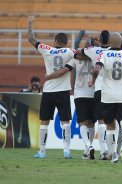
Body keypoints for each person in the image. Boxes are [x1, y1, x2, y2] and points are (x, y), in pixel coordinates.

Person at [28, 16, 75, 159]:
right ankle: (66, 151)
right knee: (65, 122)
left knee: (44, 122)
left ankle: (42, 151)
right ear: (66, 43)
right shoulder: (69, 52)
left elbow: (31, 39)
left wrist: (30, 23)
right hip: (63, 92)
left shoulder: (46, 49)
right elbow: (81, 54)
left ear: (55, 41)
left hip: (48, 91)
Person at [89, 32, 122, 164]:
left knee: (109, 125)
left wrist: (93, 81)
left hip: (108, 96)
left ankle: (113, 155)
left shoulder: (103, 54)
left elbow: (95, 70)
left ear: (110, 42)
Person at [45, 39, 98, 160]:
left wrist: (49, 77)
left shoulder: (75, 59)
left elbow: (63, 71)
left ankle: (88, 147)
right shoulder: (97, 58)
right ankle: (88, 149)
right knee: (91, 123)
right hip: (94, 93)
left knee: (83, 123)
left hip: (80, 94)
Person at [80, 30, 111, 160]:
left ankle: (100, 150)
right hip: (111, 90)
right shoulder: (113, 51)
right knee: (110, 122)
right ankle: (108, 151)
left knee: (100, 121)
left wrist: (92, 42)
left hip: (98, 90)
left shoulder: (93, 51)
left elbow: (80, 51)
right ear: (109, 40)